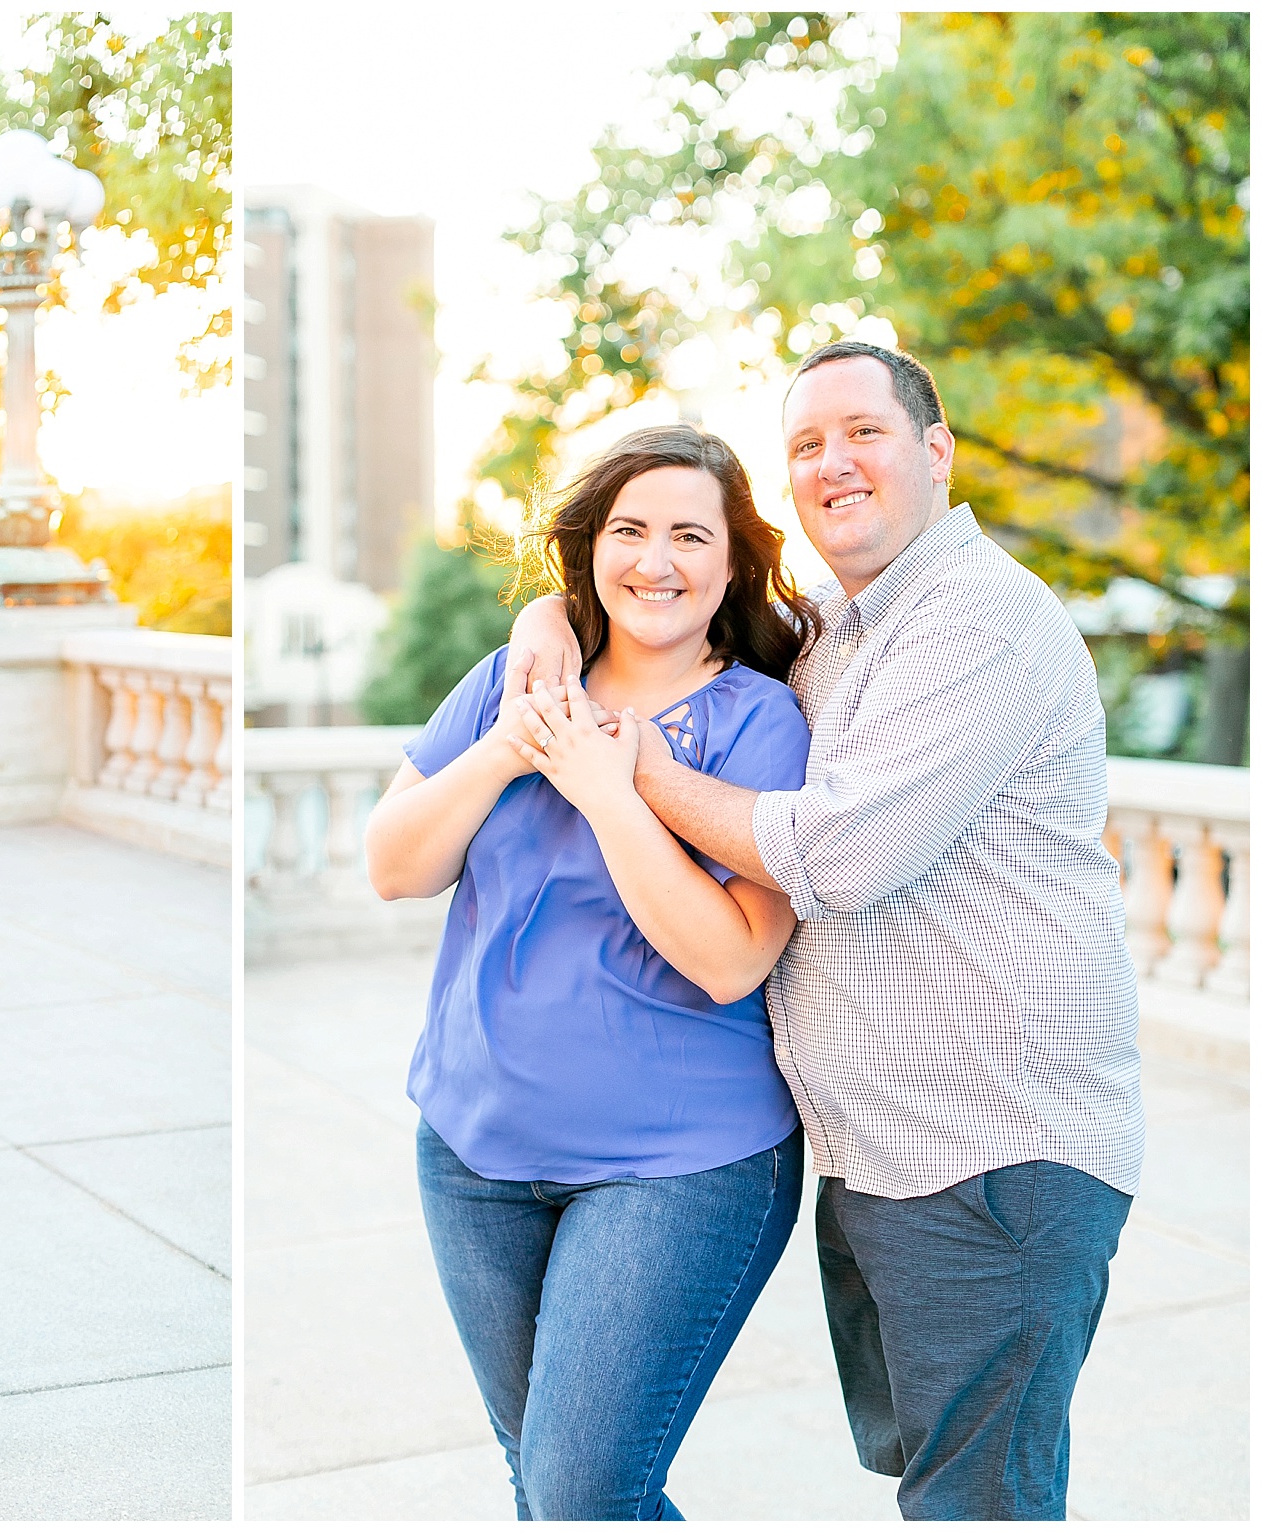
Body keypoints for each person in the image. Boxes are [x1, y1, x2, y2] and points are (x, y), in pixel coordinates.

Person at [506, 340, 1143, 1521]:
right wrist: (552, 607)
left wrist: (622, 768)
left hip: (990, 1153)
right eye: (804, 445)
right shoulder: (839, 637)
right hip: (882, 1159)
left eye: (863, 432)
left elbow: (838, 854)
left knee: (980, 1505)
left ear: (936, 451)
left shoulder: (978, 619)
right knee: (939, 1487)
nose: (831, 463)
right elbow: (667, 605)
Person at [366, 424, 819, 1519]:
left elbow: (728, 960)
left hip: (675, 1166)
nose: (653, 561)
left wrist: (608, 788)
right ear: (589, 547)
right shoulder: (512, 679)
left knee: (581, 1490)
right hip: (472, 1151)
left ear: (729, 562)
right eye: (627, 530)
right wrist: (514, 740)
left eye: (686, 536)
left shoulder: (761, 722)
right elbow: (393, 865)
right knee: (545, 1484)